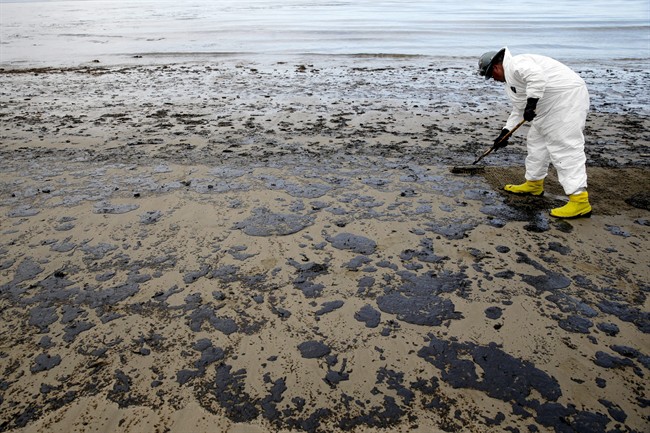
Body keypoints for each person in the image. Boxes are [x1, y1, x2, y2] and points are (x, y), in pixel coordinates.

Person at [478, 47, 592, 218]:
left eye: (491, 75)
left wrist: (531, 104)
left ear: (495, 67)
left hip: (566, 98)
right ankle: (534, 183)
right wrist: (505, 133)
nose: (493, 80)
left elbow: (537, 78)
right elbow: (519, 109)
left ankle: (579, 201)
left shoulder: (517, 64)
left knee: (563, 146)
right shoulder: (511, 82)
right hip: (547, 104)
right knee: (536, 141)